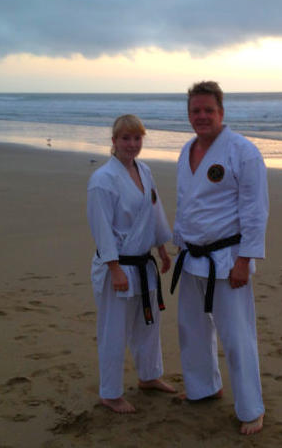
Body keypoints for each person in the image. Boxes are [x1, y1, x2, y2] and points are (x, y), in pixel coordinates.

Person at [171, 81, 269, 434]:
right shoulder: (187, 150)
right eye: (195, 110)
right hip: (191, 257)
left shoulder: (243, 152)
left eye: (208, 110)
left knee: (237, 337)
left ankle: (251, 408)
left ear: (221, 112)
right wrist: (179, 242)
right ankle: (204, 387)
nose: (201, 116)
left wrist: (245, 259)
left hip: (227, 260)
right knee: (192, 330)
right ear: (189, 114)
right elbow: (185, 203)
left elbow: (255, 211)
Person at [87, 114, 176, 413]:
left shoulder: (144, 170)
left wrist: (161, 249)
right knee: (114, 330)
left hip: (143, 263)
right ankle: (110, 393)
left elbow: (154, 212)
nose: (132, 144)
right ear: (114, 141)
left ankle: (149, 376)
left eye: (137, 138)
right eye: (126, 138)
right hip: (118, 264)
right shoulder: (102, 180)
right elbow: (101, 227)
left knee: (148, 324)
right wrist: (114, 269)